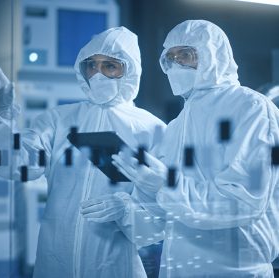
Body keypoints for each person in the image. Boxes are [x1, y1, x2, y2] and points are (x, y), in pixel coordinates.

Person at [85, 20, 279, 277]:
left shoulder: (250, 107)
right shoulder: (177, 127)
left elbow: (242, 201)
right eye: (170, 58)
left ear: (213, 55)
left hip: (238, 270)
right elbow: (159, 223)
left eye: (185, 55)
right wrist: (127, 209)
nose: (176, 65)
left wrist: (166, 185)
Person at [0, 26, 166, 278]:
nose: (98, 74)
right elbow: (13, 164)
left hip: (114, 267)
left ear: (130, 70)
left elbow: (157, 221)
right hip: (55, 262)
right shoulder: (59, 120)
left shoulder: (151, 129)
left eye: (110, 66)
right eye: (91, 65)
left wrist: (126, 210)